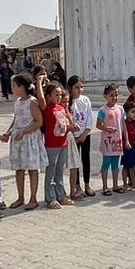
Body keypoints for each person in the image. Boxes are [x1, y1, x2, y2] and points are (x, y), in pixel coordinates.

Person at [1, 73, 47, 210]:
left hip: (29, 139)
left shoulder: (32, 102)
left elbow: (39, 122)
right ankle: (20, 197)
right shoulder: (18, 102)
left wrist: (24, 132)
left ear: (22, 87)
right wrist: (8, 132)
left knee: (33, 169)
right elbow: (16, 119)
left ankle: (33, 198)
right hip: (18, 139)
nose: (13, 88)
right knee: (19, 169)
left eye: (14, 86)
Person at [41, 81, 74, 209]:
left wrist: (71, 126)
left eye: (60, 95)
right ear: (49, 96)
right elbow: (41, 98)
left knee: (60, 171)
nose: (59, 97)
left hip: (63, 143)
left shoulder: (61, 107)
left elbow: (65, 122)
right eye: (56, 95)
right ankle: (50, 198)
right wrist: (40, 82)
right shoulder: (47, 109)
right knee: (51, 171)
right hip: (52, 145)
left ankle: (61, 195)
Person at [97, 84, 127, 195]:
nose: (114, 98)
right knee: (106, 164)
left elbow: (123, 126)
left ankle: (115, 185)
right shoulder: (102, 110)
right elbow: (98, 125)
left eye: (116, 95)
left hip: (117, 142)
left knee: (116, 164)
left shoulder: (120, 109)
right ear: (105, 96)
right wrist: (106, 128)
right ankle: (105, 187)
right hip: (107, 142)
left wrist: (126, 140)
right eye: (111, 95)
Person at [66, 76, 94, 199]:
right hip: (73, 136)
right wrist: (74, 135)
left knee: (86, 159)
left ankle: (87, 184)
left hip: (85, 134)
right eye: (76, 87)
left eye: (81, 87)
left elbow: (89, 117)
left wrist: (85, 133)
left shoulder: (86, 100)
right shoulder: (68, 102)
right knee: (75, 162)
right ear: (71, 88)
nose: (79, 90)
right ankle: (77, 186)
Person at [122, 102, 135, 190]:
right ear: (126, 113)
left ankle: (133, 183)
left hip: (134, 146)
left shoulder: (133, 123)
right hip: (127, 147)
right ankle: (124, 183)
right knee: (126, 166)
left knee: (133, 166)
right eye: (132, 112)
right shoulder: (124, 123)